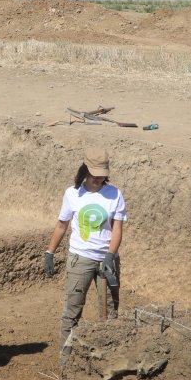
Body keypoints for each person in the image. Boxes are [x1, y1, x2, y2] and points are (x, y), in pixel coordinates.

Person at [44, 148, 126, 356]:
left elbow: (117, 228)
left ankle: (108, 357)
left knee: (110, 312)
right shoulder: (72, 194)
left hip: (108, 261)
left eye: (102, 174)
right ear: (85, 170)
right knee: (72, 311)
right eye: (94, 174)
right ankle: (66, 360)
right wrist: (50, 253)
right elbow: (62, 225)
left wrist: (110, 255)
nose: (99, 178)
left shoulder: (114, 194)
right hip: (81, 259)